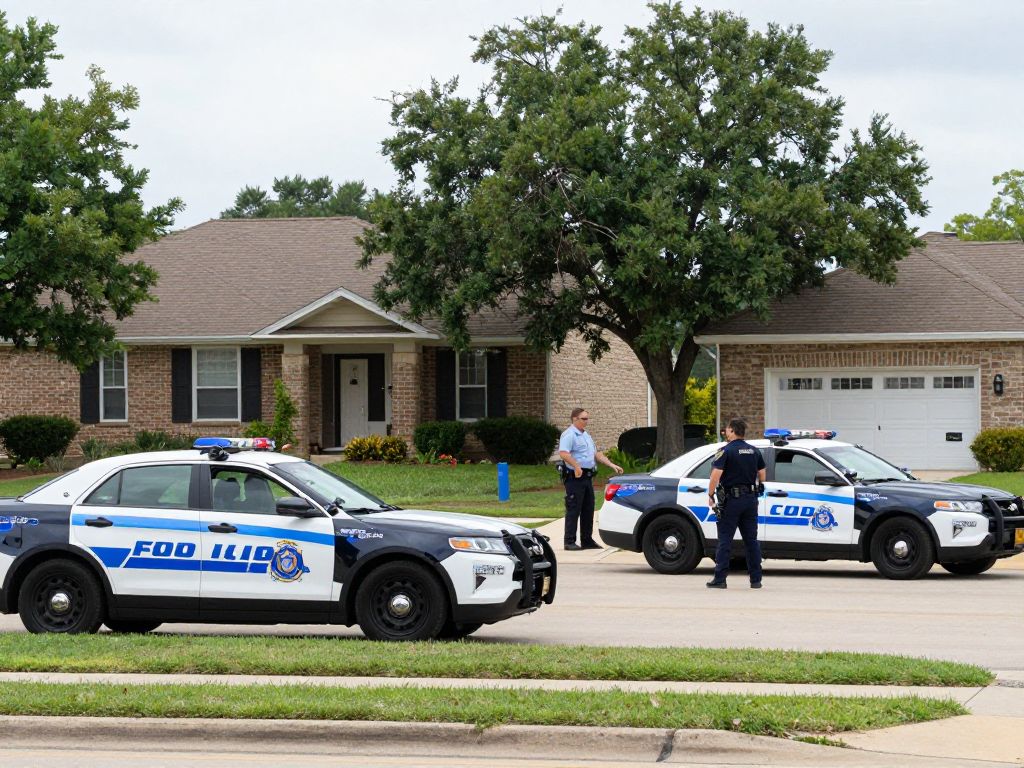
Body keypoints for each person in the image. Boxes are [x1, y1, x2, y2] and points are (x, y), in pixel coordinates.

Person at [706, 418, 766, 589]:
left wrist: (710, 494)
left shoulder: (726, 451)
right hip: (750, 500)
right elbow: (762, 474)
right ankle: (756, 579)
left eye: (727, 430)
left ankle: (720, 579)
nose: (726, 433)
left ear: (732, 431)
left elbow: (715, 476)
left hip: (732, 501)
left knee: (725, 540)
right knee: (751, 541)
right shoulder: (754, 451)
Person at [558, 407, 623, 551]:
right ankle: (569, 541)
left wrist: (611, 464)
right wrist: (576, 466)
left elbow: (596, 454)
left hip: (587, 477)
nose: (587, 421)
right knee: (574, 508)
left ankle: (587, 540)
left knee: (588, 508)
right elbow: (563, 453)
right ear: (575, 419)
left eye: (587, 418)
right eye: (584, 419)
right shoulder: (569, 435)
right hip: (575, 477)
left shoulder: (586, 435)